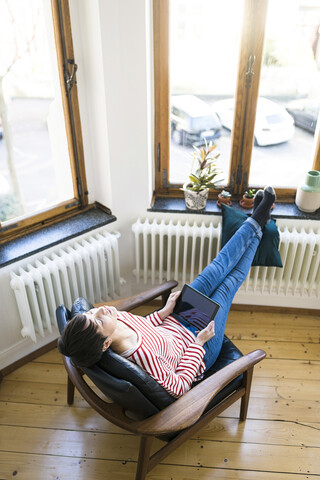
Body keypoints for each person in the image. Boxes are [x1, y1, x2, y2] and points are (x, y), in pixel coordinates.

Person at [58, 186, 276, 398]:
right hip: (199, 346)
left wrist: (164, 311)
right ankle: (260, 219)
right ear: (106, 344)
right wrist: (199, 342)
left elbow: (146, 328)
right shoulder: (140, 357)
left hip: (177, 320)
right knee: (229, 283)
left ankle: (258, 219)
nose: (101, 311)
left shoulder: (114, 320)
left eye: (90, 313)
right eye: (98, 322)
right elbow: (179, 386)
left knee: (217, 268)